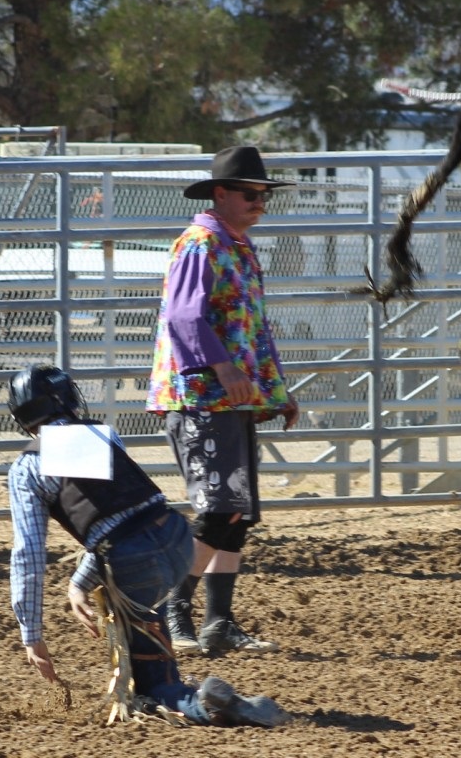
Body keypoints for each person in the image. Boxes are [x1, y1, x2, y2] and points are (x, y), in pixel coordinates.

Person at [7, 364, 292, 727]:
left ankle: (204, 703)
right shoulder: (99, 435)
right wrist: (80, 582)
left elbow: (28, 555)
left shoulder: (26, 467)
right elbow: (120, 516)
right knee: (143, 620)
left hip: (134, 558)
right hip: (176, 537)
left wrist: (32, 635)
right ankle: (172, 681)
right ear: (65, 399)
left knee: (150, 684)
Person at [146, 145, 299, 657]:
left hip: (234, 400)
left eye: (264, 196)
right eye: (252, 194)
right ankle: (171, 608)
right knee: (217, 511)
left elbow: (254, 328)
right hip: (203, 399)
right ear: (221, 194)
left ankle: (219, 622)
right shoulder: (201, 245)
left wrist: (276, 390)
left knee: (234, 513)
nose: (260, 203)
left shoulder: (236, 247)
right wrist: (225, 367)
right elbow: (184, 318)